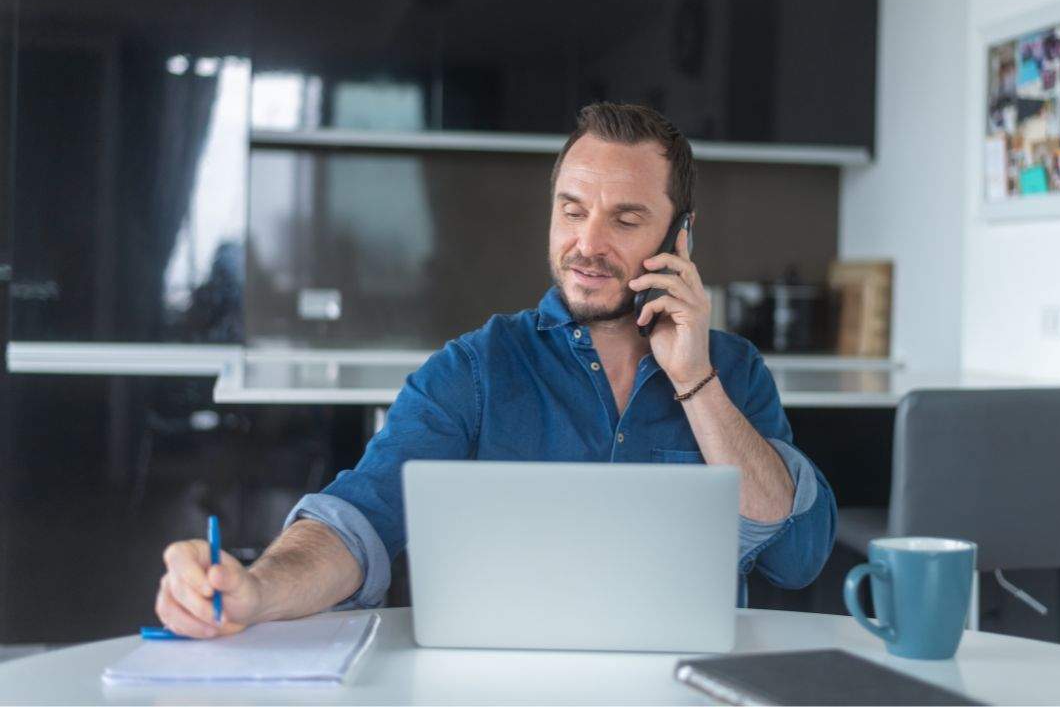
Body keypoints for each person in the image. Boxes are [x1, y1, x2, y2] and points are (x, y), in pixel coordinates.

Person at [155, 103, 837, 638]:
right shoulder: (476, 369)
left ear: (678, 238)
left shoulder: (734, 372)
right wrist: (258, 588)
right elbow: (357, 519)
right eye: (573, 211)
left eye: (626, 220)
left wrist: (695, 382)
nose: (588, 244)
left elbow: (796, 554)